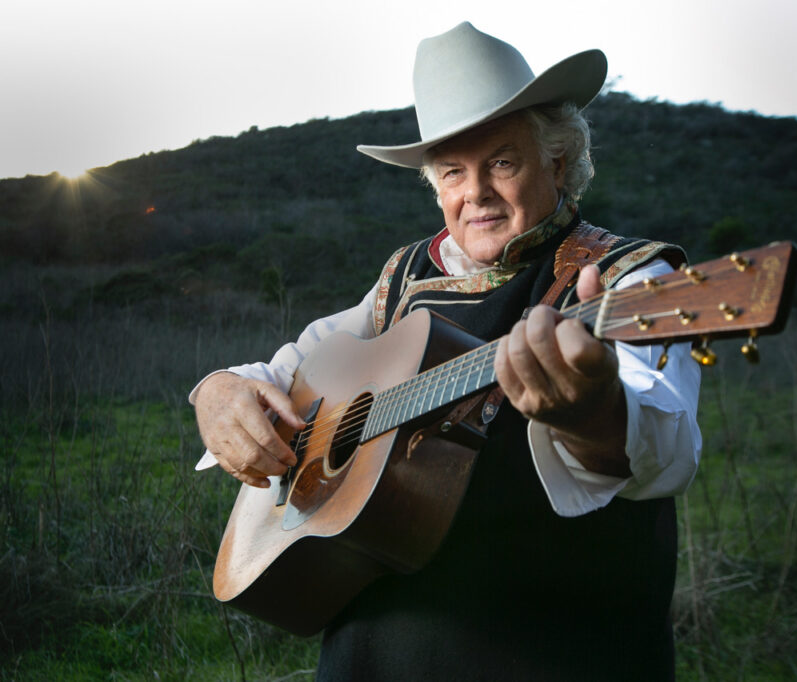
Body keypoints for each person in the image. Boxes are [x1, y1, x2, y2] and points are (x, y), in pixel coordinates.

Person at [191, 22, 702, 680]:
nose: (476, 191)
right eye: (454, 171)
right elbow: (291, 365)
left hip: (559, 652)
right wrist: (218, 391)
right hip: (373, 657)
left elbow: (668, 453)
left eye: (503, 162)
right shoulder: (403, 277)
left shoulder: (630, 279)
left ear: (557, 159)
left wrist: (592, 411)